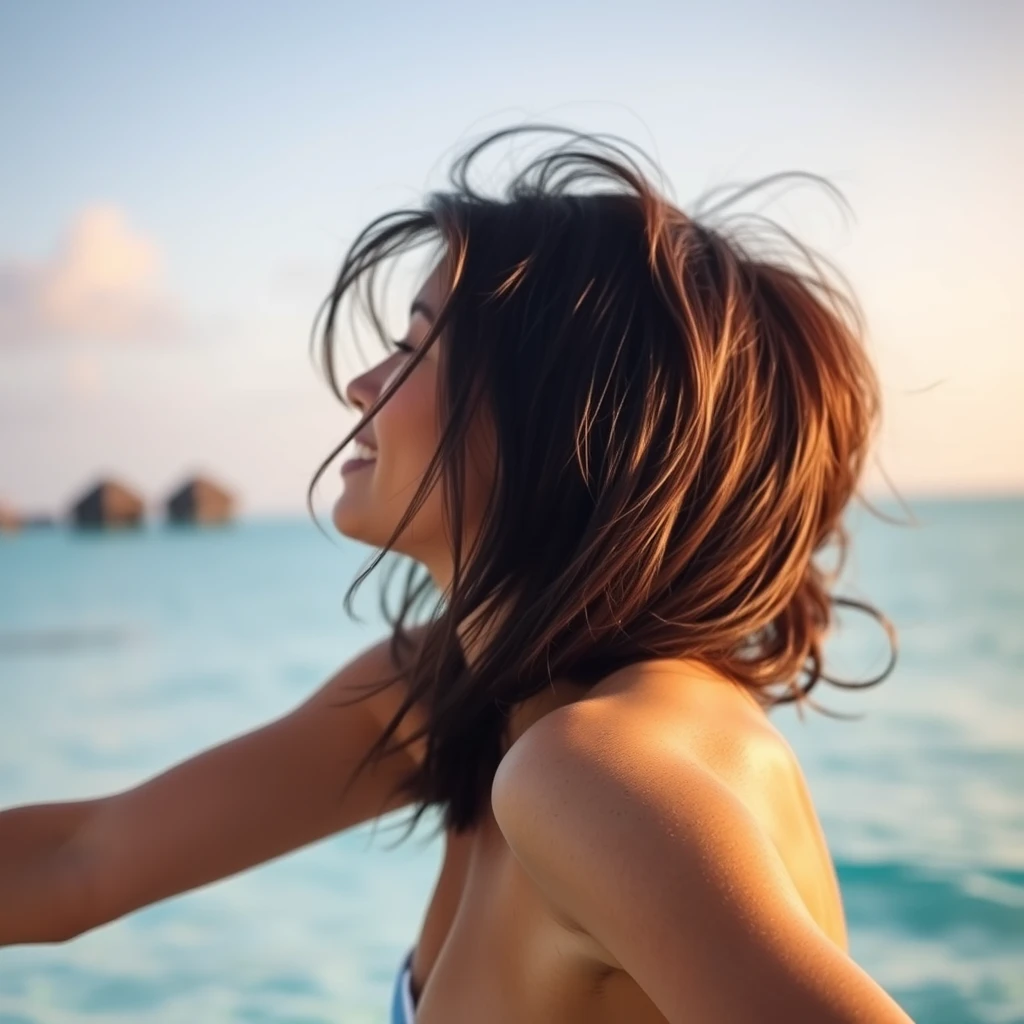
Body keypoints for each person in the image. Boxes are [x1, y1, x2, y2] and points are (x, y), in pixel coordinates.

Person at [0, 125, 914, 1023]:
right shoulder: (450, 695)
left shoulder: (598, 773)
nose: (362, 384)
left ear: (566, 422)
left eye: (417, 349)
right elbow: (80, 861)